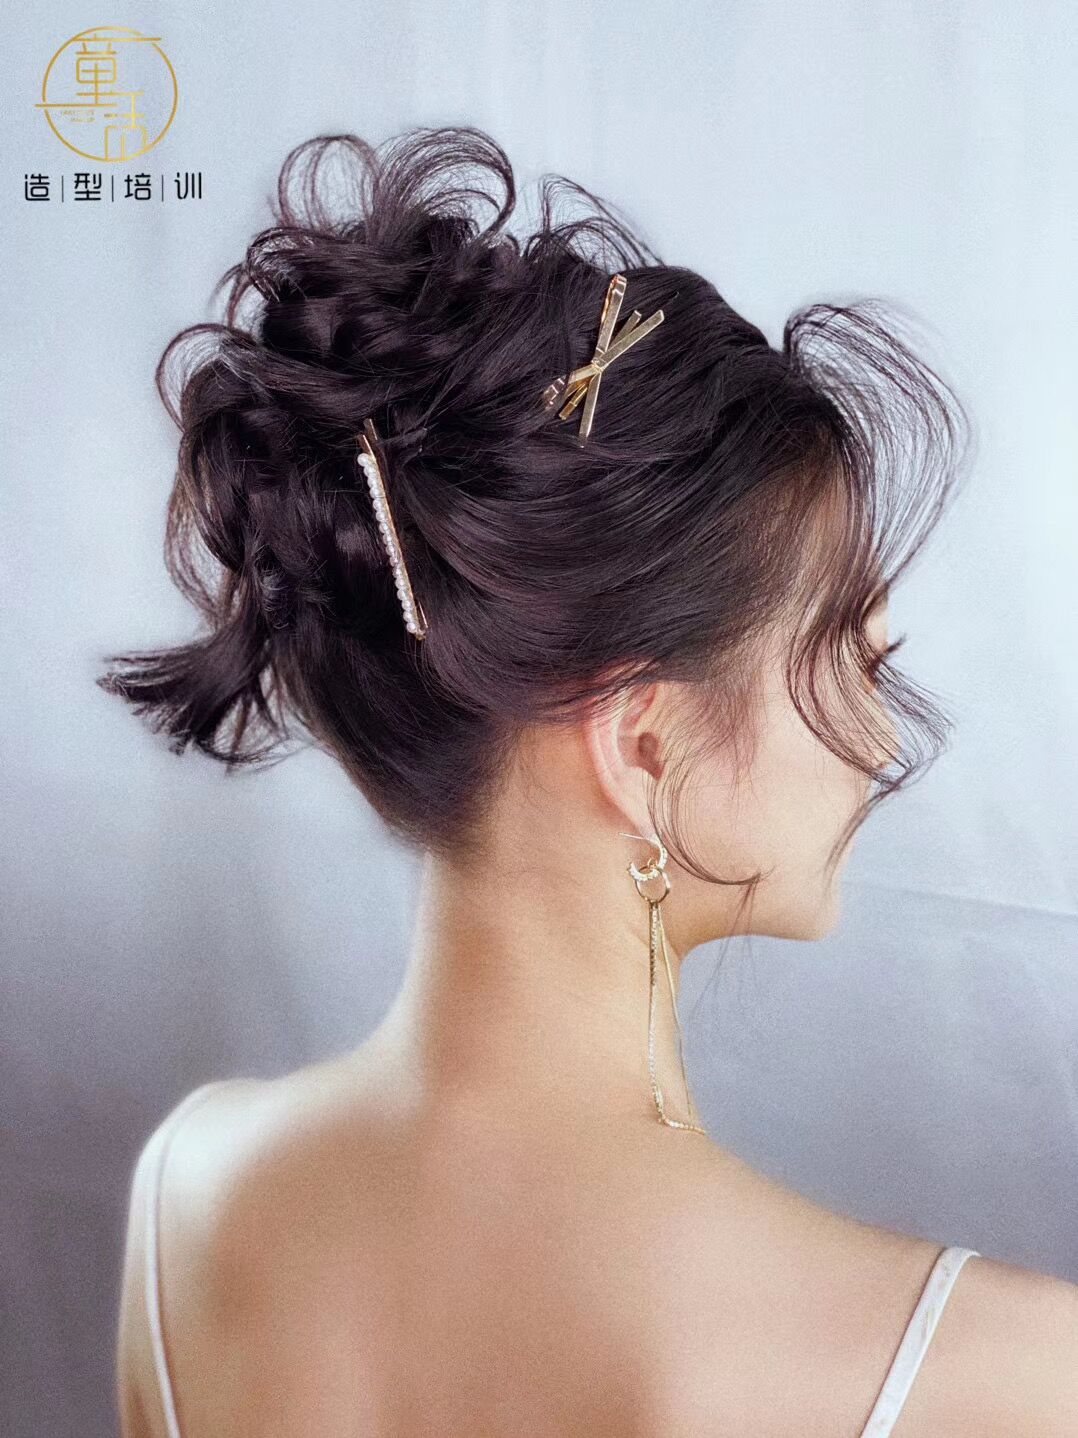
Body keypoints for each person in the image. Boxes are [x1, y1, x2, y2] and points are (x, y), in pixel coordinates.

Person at [105, 125, 1078, 1437]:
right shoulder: (1001, 1370)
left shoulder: (190, 1194)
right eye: (848, 661)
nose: (881, 743)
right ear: (641, 745)